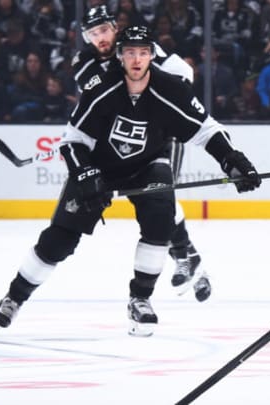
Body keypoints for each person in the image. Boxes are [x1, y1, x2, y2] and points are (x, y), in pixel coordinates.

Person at [0, 26, 262, 337]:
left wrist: (232, 159)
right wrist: (85, 173)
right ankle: (15, 297)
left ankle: (140, 300)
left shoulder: (169, 88)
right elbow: (72, 142)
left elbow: (206, 129)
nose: (137, 59)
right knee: (59, 241)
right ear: (120, 56)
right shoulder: (101, 88)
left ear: (151, 55)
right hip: (98, 166)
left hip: (148, 164)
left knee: (160, 221)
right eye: (130, 52)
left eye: (143, 52)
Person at [73, 5, 212, 301]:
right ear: (86, 37)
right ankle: (188, 255)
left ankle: (185, 255)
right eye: (93, 33)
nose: (101, 37)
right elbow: (95, 106)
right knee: (158, 197)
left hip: (160, 134)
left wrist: (166, 110)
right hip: (125, 136)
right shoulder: (84, 63)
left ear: (114, 27)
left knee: (160, 193)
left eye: (105, 29)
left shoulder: (137, 45)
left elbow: (183, 72)